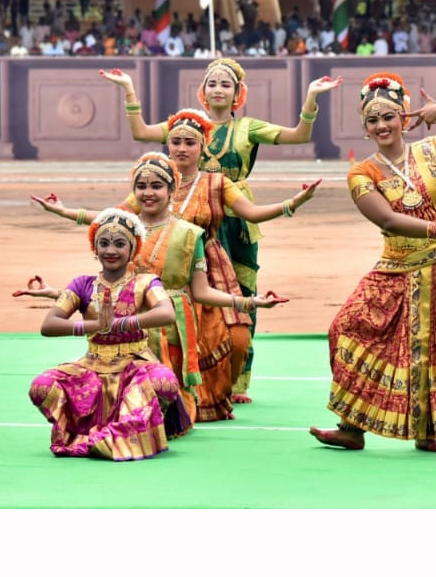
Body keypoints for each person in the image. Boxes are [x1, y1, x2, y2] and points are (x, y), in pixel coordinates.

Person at [100, 60, 342, 402]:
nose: (217, 89)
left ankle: (238, 380)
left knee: (242, 297)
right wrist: (128, 90)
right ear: (203, 90)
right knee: (192, 296)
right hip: (187, 218)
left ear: (237, 93)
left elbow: (298, 136)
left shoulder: (247, 128)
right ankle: (191, 373)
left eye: (225, 84)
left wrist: (312, 97)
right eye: (211, 82)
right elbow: (141, 133)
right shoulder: (184, 126)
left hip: (236, 221)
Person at [309, 72, 436, 453]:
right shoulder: (361, 172)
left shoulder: (431, 150)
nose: (381, 125)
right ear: (365, 128)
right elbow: (387, 220)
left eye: (388, 117)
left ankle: (427, 430)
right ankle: (352, 426)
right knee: (345, 328)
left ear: (403, 118)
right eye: (373, 120)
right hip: (396, 266)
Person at [29, 152, 290, 423]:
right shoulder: (121, 234)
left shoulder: (190, 234)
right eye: (141, 187)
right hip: (124, 329)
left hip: (173, 325)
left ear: (171, 190)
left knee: (164, 392)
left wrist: (249, 302)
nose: (148, 193)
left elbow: (201, 292)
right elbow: (104, 287)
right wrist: (58, 294)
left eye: (156, 186)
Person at [17, 208, 190, 460]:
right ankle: (96, 435)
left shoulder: (146, 282)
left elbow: (166, 313)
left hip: (134, 364)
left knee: (165, 382)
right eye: (104, 244)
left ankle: (121, 435)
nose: (111, 251)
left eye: (120, 244)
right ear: (94, 249)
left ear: (132, 250)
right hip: (92, 366)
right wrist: (94, 325)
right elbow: (49, 325)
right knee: (42, 387)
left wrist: (120, 324)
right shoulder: (82, 284)